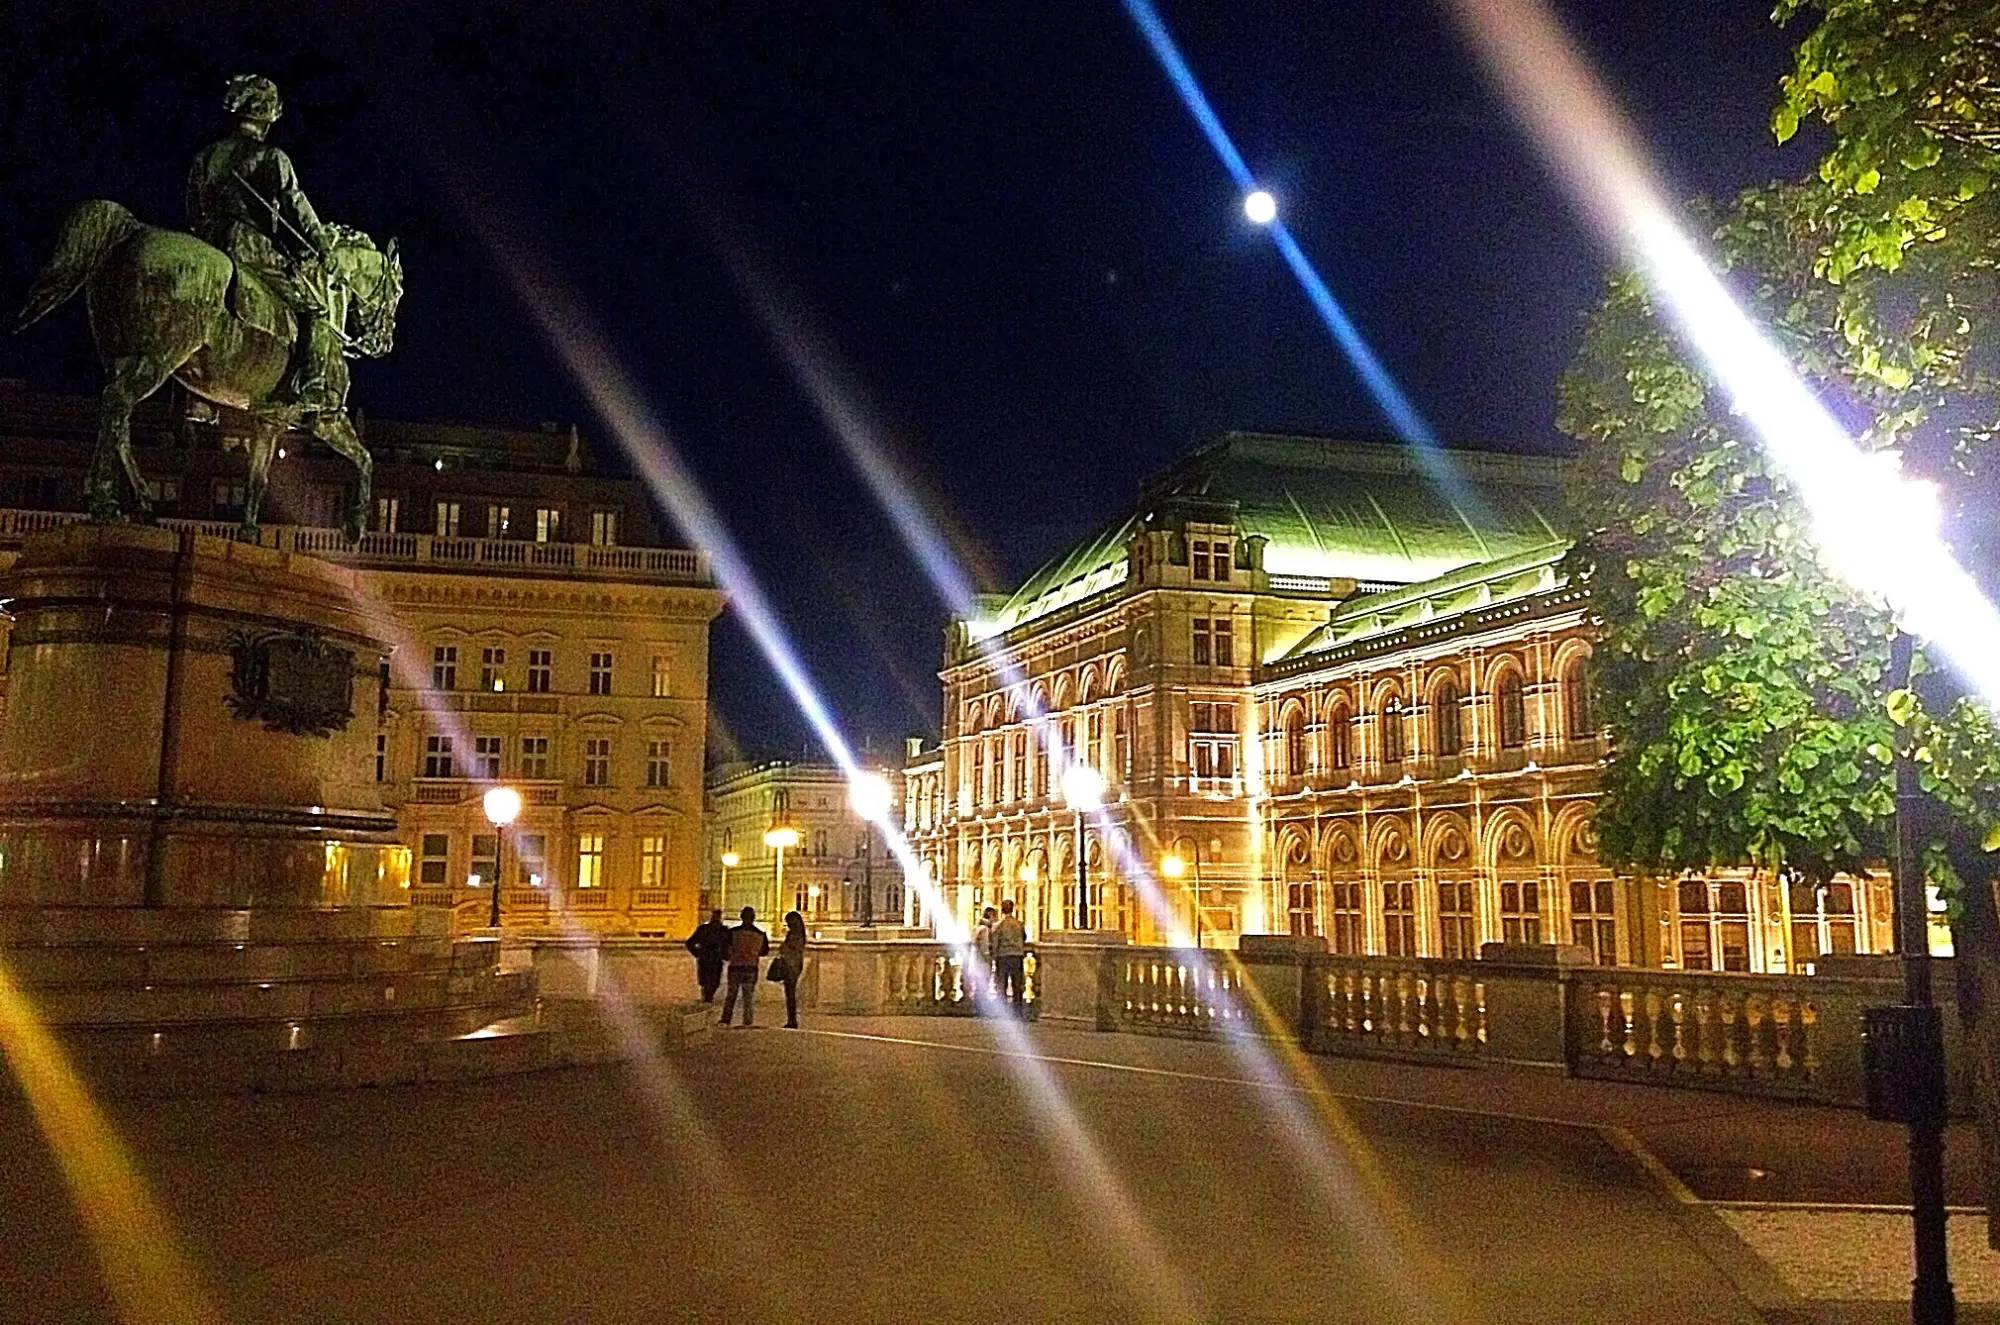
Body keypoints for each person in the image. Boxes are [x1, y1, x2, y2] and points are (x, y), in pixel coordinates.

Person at [185, 75, 340, 412]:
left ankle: (197, 399)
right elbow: (293, 202)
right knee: (316, 311)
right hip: (250, 248)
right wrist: (322, 245)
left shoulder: (206, 156)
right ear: (267, 116)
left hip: (208, 244)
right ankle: (310, 385)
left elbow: (194, 208)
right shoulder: (271, 157)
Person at [720, 906, 769, 1027]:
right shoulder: (760, 934)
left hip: (735, 966)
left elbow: (725, 948)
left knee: (731, 994)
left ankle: (726, 1019)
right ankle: (747, 1020)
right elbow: (764, 951)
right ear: (754, 918)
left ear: (741, 917)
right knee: (748, 996)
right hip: (751, 967)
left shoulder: (733, 932)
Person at [683, 908, 729, 1003]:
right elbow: (728, 944)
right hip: (714, 958)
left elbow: (690, 943)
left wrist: (697, 953)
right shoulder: (723, 931)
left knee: (707, 980)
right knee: (712, 980)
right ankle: (708, 997)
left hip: (707, 958)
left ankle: (707, 997)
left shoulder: (705, 929)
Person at [992, 899, 1028, 1014]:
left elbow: (995, 942)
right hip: (1017, 955)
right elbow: (1024, 937)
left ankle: (1002, 1011)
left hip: (1003, 955)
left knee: (1002, 983)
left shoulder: (999, 925)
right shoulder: (1019, 924)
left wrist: (994, 956)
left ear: (1002, 910)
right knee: (1017, 984)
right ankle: (1018, 1010)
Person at [776, 910, 808, 1029]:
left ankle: (792, 1019)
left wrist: (784, 947)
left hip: (791, 965)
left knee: (790, 993)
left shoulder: (794, 935)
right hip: (796, 964)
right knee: (790, 992)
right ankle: (791, 1018)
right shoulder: (801, 934)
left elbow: (788, 948)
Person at [973, 905, 999, 1003]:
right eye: (994, 916)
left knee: (978, 981)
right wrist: (988, 957)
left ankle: (978, 1001)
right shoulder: (984, 929)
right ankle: (982, 1003)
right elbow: (985, 945)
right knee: (984, 979)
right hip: (983, 959)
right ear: (990, 915)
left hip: (977, 957)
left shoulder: (978, 927)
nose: (995, 919)